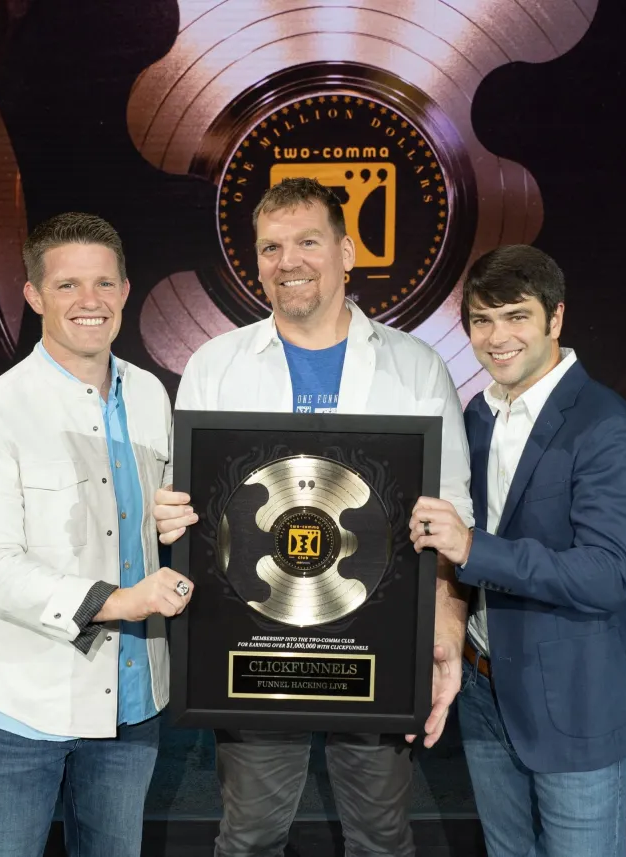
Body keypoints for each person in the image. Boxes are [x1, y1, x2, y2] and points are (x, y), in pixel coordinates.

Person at [153, 177, 474, 857]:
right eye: (270, 246)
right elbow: (193, 507)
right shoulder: (217, 364)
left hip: (376, 643)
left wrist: (445, 627)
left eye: (306, 241)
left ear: (347, 251)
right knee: (249, 835)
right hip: (253, 643)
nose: (287, 260)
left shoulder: (415, 367)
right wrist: (172, 515)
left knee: (381, 837)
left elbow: (452, 514)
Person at [0, 212, 195, 857]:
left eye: (104, 284)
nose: (91, 302)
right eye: (67, 286)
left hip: (133, 705)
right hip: (21, 707)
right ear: (33, 295)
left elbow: (153, 524)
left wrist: (172, 524)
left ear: (126, 290)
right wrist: (117, 602)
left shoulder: (149, 395)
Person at [406, 244, 626, 857]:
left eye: (516, 316)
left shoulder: (605, 425)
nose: (497, 337)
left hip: (574, 698)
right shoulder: (478, 415)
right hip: (487, 689)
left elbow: (607, 575)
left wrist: (472, 548)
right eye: (482, 321)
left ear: (555, 318)